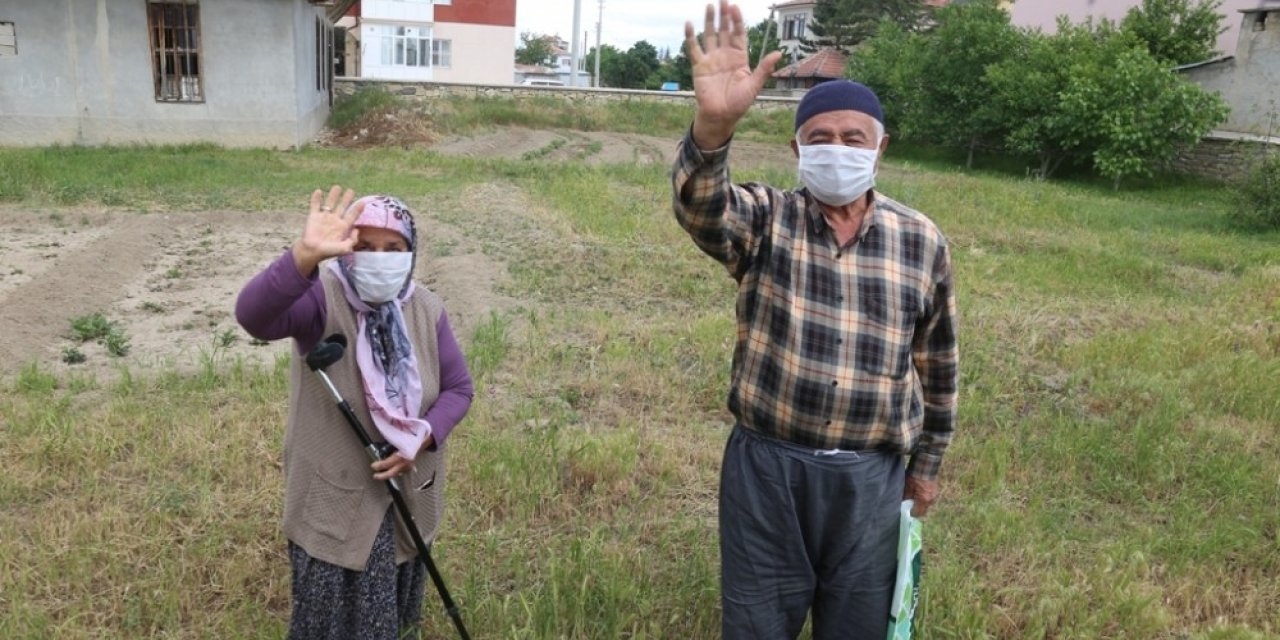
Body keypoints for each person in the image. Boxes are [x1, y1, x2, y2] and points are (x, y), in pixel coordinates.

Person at [673, 3, 959, 638]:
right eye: (819, 138)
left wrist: (928, 467)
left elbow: (938, 366)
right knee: (756, 622)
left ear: (880, 147)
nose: (836, 150)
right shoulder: (766, 218)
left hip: (870, 479)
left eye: (853, 138)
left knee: (858, 624)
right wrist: (714, 127)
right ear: (796, 147)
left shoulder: (921, 239)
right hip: (767, 470)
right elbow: (701, 209)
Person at [235, 186, 474, 640]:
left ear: (411, 252)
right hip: (334, 498)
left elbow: (460, 389)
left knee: (393, 617)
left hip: (407, 492)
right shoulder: (320, 298)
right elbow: (254, 317)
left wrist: (419, 438)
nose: (378, 259)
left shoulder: (426, 309)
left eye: (392, 248)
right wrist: (303, 257)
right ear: (345, 249)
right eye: (363, 247)